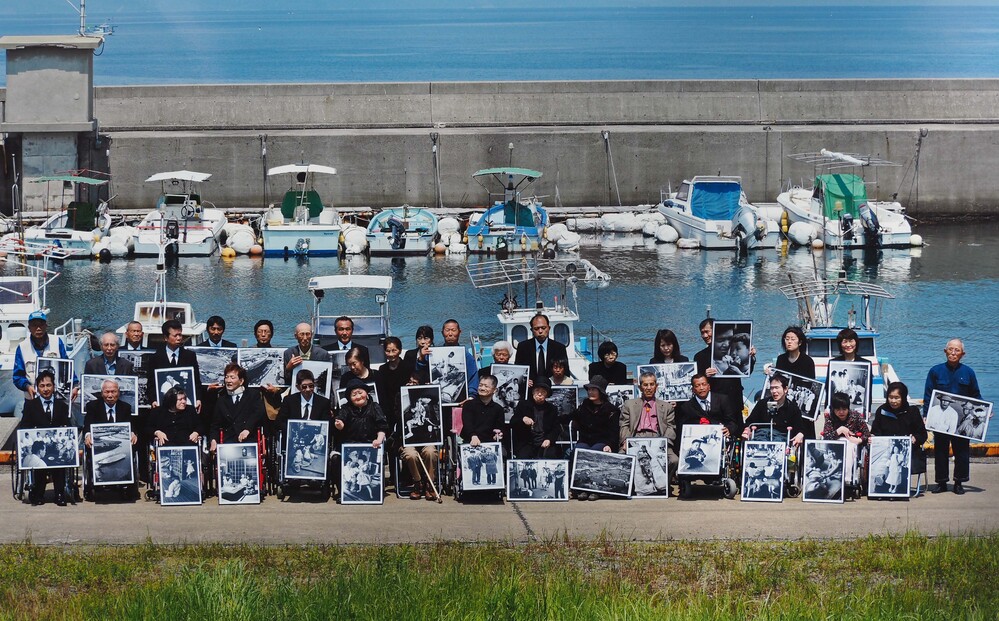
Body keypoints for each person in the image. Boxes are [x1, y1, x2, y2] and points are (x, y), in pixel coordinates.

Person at [923, 338, 984, 495]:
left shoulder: (968, 372)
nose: (953, 352)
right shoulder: (935, 371)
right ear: (945, 351)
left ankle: (959, 482)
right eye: (950, 349)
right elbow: (928, 395)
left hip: (962, 420)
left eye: (957, 350)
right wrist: (926, 415)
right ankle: (941, 482)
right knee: (940, 451)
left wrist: (984, 409)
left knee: (962, 451)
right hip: (939, 418)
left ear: (963, 354)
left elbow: (976, 394)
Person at [18, 370, 74, 506]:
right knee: (38, 462)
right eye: (42, 386)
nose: (45, 389)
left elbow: (68, 426)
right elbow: (25, 426)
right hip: (39, 448)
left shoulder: (62, 405)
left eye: (48, 385)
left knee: (60, 462)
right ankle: (38, 493)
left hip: (54, 448)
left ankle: (59, 493)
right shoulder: (30, 405)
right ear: (37, 388)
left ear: (54, 386)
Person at [562, 375, 619, 501]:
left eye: (594, 389)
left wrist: (610, 444)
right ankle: (579, 488)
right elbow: (569, 417)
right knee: (577, 451)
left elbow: (614, 432)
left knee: (595, 452)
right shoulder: (584, 406)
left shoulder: (611, 410)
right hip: (585, 440)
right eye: (589, 389)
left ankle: (596, 489)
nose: (590, 392)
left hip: (602, 441)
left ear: (601, 392)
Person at [693, 318, 752, 433]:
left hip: (734, 399)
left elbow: (747, 371)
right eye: (702, 332)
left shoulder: (732, 351)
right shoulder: (699, 356)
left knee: (737, 432)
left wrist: (751, 358)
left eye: (707, 331)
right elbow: (697, 382)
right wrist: (705, 375)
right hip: (715, 405)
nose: (705, 335)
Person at [619, 371, 678, 478]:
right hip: (635, 439)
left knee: (674, 460)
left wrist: (664, 443)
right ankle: (631, 485)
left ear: (656, 386)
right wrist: (626, 441)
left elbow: (671, 427)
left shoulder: (666, 407)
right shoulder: (629, 405)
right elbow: (624, 425)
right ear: (640, 387)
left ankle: (664, 485)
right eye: (645, 385)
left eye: (652, 384)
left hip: (658, 439)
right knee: (621, 457)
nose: (649, 388)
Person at [12, 310, 73, 412]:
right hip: (32, 399)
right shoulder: (22, 347)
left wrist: (74, 385)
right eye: (34, 325)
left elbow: (68, 368)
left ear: (46, 326)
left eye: (41, 324)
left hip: (57, 400)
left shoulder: (57, 342)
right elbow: (17, 376)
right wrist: (27, 387)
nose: (38, 328)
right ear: (29, 328)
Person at [146, 319, 203, 412]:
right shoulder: (155, 358)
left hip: (185, 405)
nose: (179, 338)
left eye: (180, 334)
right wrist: (153, 400)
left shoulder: (190, 356)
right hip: (163, 406)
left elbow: (196, 380)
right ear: (165, 337)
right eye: (175, 335)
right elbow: (151, 384)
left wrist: (198, 399)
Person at [209, 364, 265, 449]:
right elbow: (215, 425)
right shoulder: (222, 399)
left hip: (248, 438)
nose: (228, 380)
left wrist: (247, 429)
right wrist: (213, 440)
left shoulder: (253, 395)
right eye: (226, 377)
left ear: (241, 381)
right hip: (228, 441)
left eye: (232, 377)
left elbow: (258, 413)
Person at [742, 374, 808, 446]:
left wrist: (800, 435)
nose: (774, 391)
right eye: (772, 388)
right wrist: (747, 430)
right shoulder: (762, 403)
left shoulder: (792, 408)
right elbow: (750, 422)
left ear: (785, 389)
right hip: (761, 437)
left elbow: (800, 428)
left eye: (777, 388)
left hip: (781, 439)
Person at [676, 373, 740, 439]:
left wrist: (728, 429)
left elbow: (732, 422)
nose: (701, 388)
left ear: (709, 386)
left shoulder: (722, 399)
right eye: (697, 385)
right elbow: (684, 429)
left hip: (722, 437)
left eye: (704, 384)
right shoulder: (686, 407)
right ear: (693, 390)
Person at [510, 377, 560, 459]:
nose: (539, 394)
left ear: (547, 395)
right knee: (523, 457)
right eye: (537, 391)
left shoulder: (552, 409)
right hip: (526, 442)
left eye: (543, 392)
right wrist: (523, 419)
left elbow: (556, 428)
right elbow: (513, 422)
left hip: (544, 442)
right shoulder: (523, 405)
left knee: (551, 456)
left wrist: (549, 439)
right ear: (533, 392)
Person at [871, 382, 928, 450]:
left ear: (903, 398)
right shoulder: (882, 411)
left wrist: (915, 438)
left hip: (910, 449)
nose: (893, 401)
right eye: (890, 397)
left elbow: (923, 435)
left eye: (896, 398)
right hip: (886, 448)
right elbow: (875, 432)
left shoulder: (912, 412)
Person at [514, 314, 569, 382]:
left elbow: (566, 374)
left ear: (549, 328)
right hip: (531, 389)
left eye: (543, 328)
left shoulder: (559, 348)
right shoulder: (523, 347)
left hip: (552, 389)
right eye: (536, 328)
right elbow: (517, 372)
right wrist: (524, 382)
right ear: (531, 330)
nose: (540, 331)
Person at [459, 374, 504, 446]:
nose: (482, 388)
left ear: (495, 390)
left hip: (490, 443)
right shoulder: (469, 404)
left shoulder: (498, 409)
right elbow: (468, 424)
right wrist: (473, 436)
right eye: (480, 385)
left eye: (486, 386)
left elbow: (499, 428)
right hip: (470, 441)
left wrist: (498, 435)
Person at [439, 319, 479, 393]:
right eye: (447, 330)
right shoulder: (436, 353)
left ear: (459, 332)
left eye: (453, 330)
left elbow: (473, 379)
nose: (450, 334)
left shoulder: (467, 356)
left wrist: (471, 396)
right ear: (442, 333)